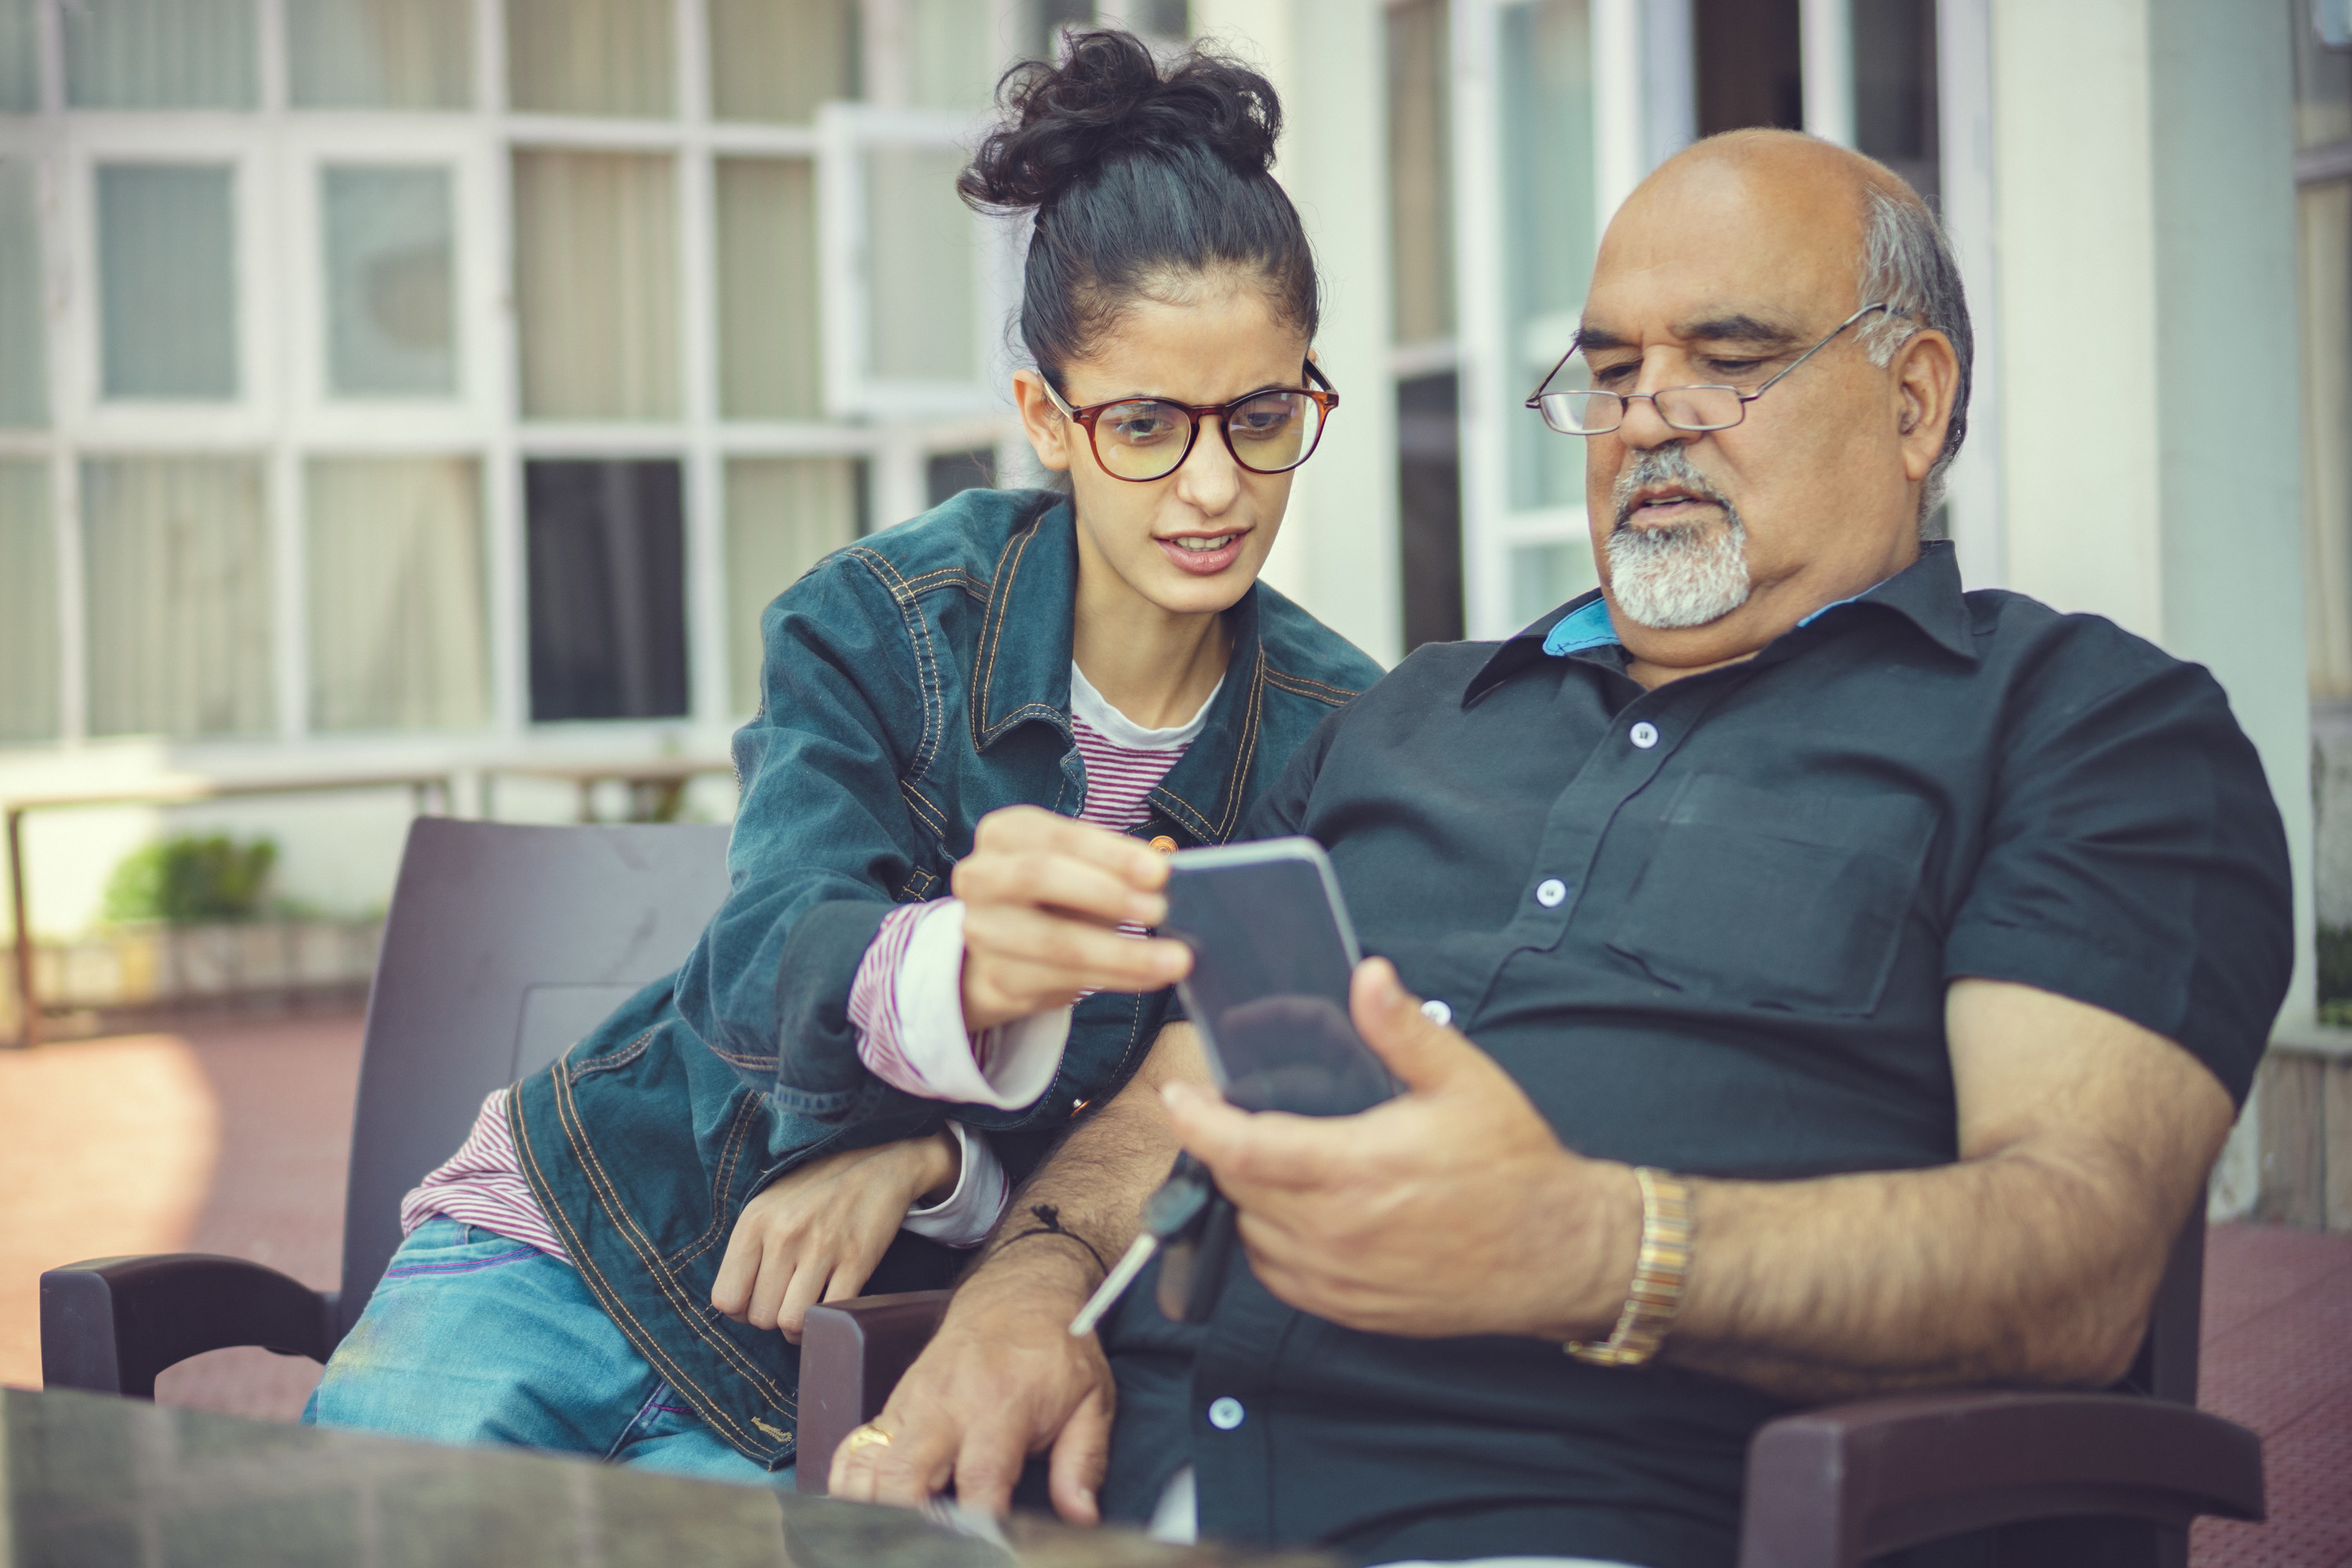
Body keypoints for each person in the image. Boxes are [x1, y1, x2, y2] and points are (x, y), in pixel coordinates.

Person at [826, 129, 2295, 1568]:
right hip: (1119, 1485)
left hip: (1580, 1518)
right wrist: (1024, 1293)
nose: (1650, 415)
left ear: (1913, 401)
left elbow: (2076, 1257)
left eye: (1726, 362)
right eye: (1610, 373)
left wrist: (1594, 1247)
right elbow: (1180, 1093)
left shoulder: (2083, 732)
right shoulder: (1404, 718)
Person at [304, 30, 1382, 1485]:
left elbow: (1193, 1124)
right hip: (595, 1241)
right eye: (1143, 424)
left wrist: (933, 1163)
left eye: (1261, 418)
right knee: (366, 1521)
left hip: (861, 1346)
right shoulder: (884, 621)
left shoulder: (1335, 736)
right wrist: (967, 968)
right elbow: (769, 958)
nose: (1212, 484)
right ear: (1046, 421)